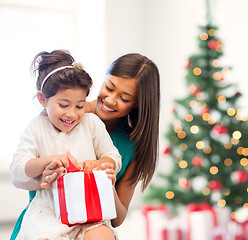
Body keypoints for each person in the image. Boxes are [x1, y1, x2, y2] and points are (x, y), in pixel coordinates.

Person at [10, 53, 160, 239]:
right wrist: (45, 174)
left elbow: (117, 218)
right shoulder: (51, 117)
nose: (111, 100)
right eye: (109, 87)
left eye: (125, 98)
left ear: (137, 104)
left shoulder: (104, 131)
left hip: (91, 220)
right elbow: (19, 173)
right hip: (46, 218)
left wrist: (105, 179)